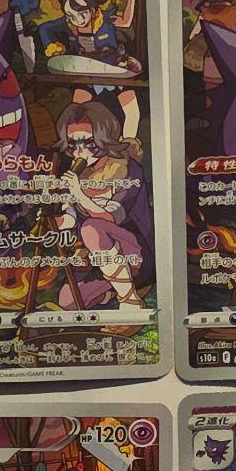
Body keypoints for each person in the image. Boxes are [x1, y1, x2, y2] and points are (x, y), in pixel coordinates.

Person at [53, 93, 153, 319]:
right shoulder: (79, 173)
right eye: (73, 144)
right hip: (99, 261)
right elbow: (70, 217)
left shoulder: (127, 169)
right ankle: (113, 290)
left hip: (137, 253)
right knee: (68, 301)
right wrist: (53, 220)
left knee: (92, 227)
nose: (80, 151)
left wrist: (78, 192)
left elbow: (108, 217)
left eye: (88, 143)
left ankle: (130, 300)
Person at [38, 0, 140, 71]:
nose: (77, 20)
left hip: (110, 65)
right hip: (84, 65)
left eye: (82, 14)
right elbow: (44, 28)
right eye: (71, 16)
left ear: (92, 9)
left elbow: (126, 22)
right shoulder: (67, 22)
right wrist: (52, 46)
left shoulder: (105, 19)